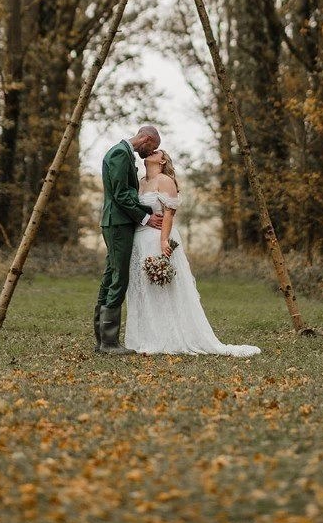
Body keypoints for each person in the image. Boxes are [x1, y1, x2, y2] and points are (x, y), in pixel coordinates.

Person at [124, 149, 260, 357]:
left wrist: (163, 240)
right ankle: (148, 335)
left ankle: (169, 337)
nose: (151, 152)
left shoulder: (165, 180)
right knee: (145, 288)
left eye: (157, 151)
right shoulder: (141, 182)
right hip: (139, 239)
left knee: (164, 288)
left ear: (162, 161)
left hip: (159, 237)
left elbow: (170, 212)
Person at [95, 125, 164, 355]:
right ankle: (109, 343)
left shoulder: (124, 153)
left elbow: (128, 193)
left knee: (111, 276)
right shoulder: (119, 153)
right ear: (145, 139)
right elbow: (121, 194)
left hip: (119, 223)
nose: (150, 152)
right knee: (119, 279)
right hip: (117, 224)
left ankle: (102, 340)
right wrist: (146, 218)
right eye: (152, 147)